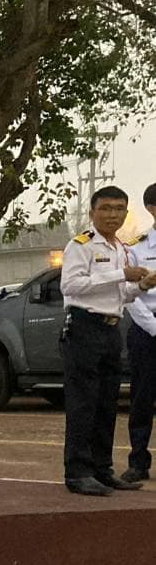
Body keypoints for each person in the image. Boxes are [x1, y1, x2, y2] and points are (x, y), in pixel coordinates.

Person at [61, 185, 156, 496]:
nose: (113, 215)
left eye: (119, 209)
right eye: (106, 208)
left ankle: (102, 470)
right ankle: (78, 472)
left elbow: (123, 294)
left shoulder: (122, 249)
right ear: (93, 212)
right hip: (84, 327)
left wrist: (141, 285)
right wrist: (120, 276)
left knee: (107, 403)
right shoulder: (82, 245)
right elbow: (71, 286)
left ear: (126, 213)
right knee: (83, 403)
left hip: (110, 329)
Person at [123, 183, 156, 484]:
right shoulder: (136, 248)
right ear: (151, 208)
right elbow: (130, 297)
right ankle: (138, 462)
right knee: (142, 398)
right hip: (148, 331)